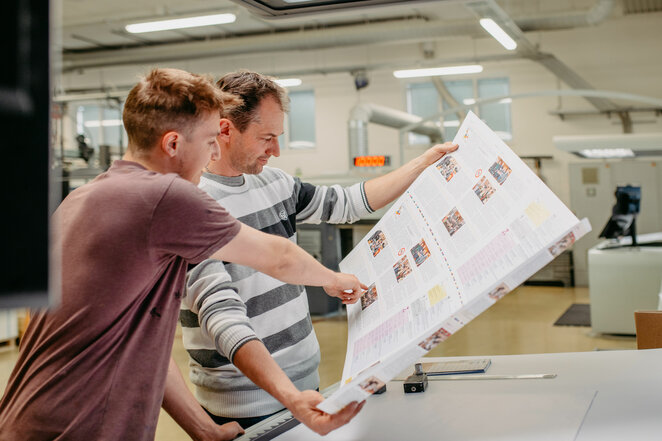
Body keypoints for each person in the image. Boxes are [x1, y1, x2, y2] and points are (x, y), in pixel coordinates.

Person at [0, 68, 366, 441]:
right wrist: (335, 280)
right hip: (80, 427)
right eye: (209, 141)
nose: (213, 153)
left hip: (28, 419)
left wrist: (204, 429)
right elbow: (279, 257)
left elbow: (143, 345)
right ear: (173, 144)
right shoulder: (166, 197)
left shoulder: (80, 201)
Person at [172, 70, 458, 434]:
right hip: (244, 404)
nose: (276, 150)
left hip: (306, 387)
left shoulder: (275, 183)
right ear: (225, 131)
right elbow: (221, 315)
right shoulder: (193, 206)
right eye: (267, 138)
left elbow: (350, 203)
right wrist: (288, 393)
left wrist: (423, 163)